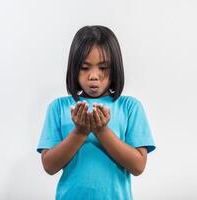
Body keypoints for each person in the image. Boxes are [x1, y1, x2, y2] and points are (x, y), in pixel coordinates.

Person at [36, 25, 156, 200]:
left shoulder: (130, 107)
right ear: (73, 68)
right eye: (85, 67)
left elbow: (138, 166)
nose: (93, 76)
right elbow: (49, 166)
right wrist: (80, 132)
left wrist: (101, 130)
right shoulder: (59, 107)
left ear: (115, 68)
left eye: (103, 67)